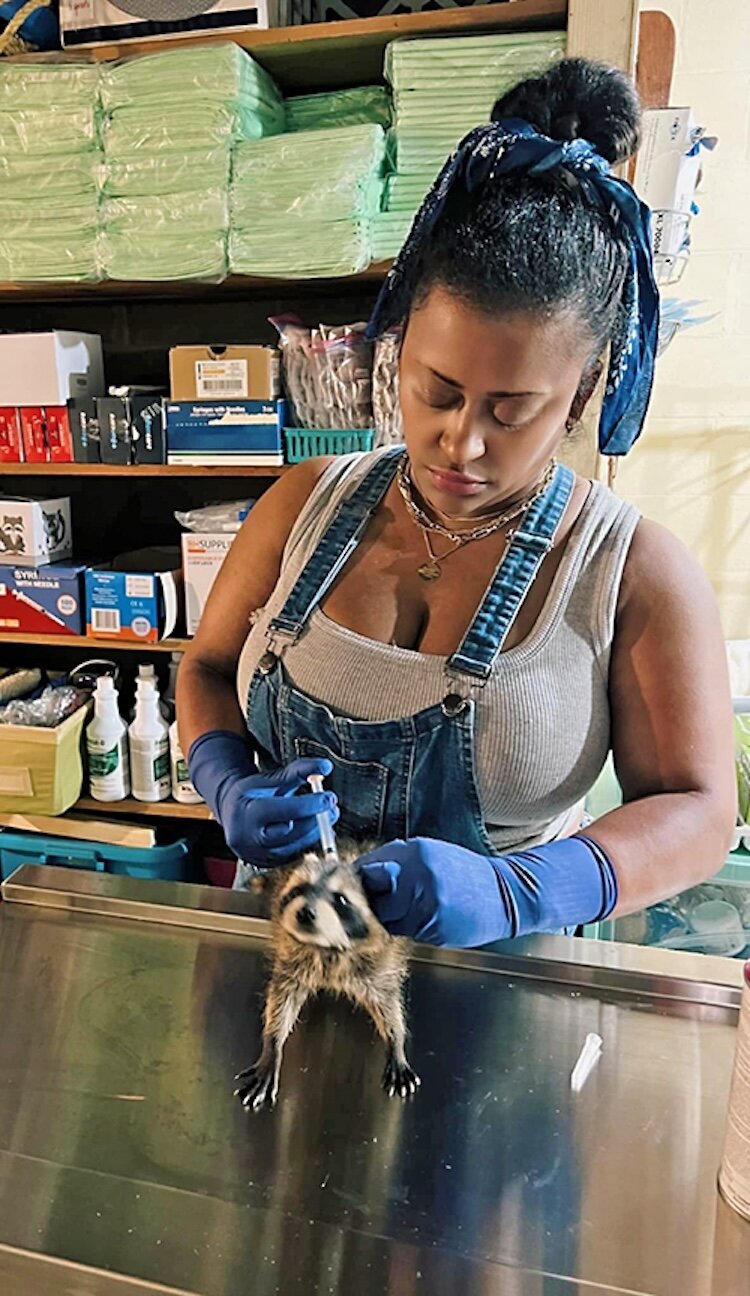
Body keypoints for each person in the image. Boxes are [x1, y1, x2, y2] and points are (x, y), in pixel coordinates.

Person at [178, 58, 736, 949]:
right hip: (290, 955)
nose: (460, 443)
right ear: (396, 348)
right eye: (434, 390)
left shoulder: (631, 572)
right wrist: (224, 777)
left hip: (506, 980)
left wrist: (524, 890)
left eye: (512, 412)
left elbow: (701, 813)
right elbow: (207, 669)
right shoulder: (304, 505)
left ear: (584, 391)